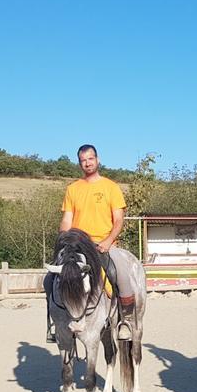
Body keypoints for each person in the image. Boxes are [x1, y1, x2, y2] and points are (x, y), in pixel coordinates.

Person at [46, 144, 138, 342]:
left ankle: (126, 321)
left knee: (120, 272)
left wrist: (108, 240)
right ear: (79, 163)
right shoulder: (72, 189)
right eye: (83, 160)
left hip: (104, 243)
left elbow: (119, 219)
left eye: (90, 159)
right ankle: (54, 323)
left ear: (97, 160)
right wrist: (64, 240)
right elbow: (67, 220)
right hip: (77, 244)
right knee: (49, 279)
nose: (87, 163)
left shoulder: (111, 187)